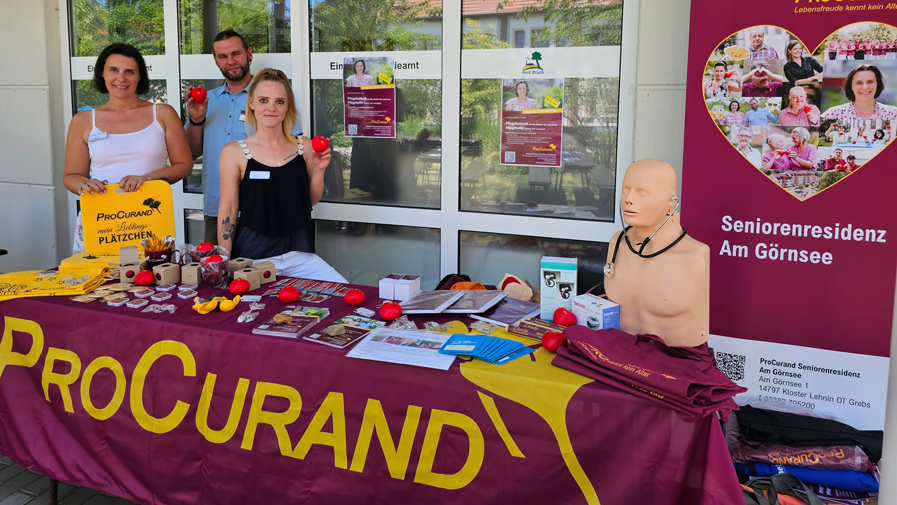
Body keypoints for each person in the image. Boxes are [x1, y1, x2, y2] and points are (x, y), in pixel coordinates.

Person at [217, 68, 346, 282]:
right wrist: (223, 261)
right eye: (264, 100)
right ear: (251, 103)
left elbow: (309, 201)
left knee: (346, 295)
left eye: (279, 101)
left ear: (287, 106)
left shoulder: (304, 146)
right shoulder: (233, 152)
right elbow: (228, 209)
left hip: (300, 256)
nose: (271, 108)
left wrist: (319, 171)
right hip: (252, 259)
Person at [63, 43, 192, 254]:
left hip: (148, 216)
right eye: (113, 70)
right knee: (97, 284)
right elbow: (71, 175)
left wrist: (146, 179)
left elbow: (184, 166)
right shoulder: (83, 120)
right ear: (102, 74)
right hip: (100, 217)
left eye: (129, 71)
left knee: (149, 282)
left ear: (140, 76)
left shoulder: (163, 113)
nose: (121, 78)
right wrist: (86, 184)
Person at [184, 30, 299, 245]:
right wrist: (197, 119)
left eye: (236, 54)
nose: (231, 61)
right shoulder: (207, 101)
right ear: (216, 61)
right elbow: (190, 153)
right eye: (223, 56)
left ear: (249, 54)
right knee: (217, 272)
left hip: (263, 205)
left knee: (266, 274)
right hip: (217, 206)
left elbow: (294, 150)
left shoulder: (270, 99)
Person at [821, 64, 897, 120]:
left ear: (877, 84)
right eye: (859, 83)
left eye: (870, 82)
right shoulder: (832, 113)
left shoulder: (893, 113)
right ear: (851, 86)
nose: (865, 87)